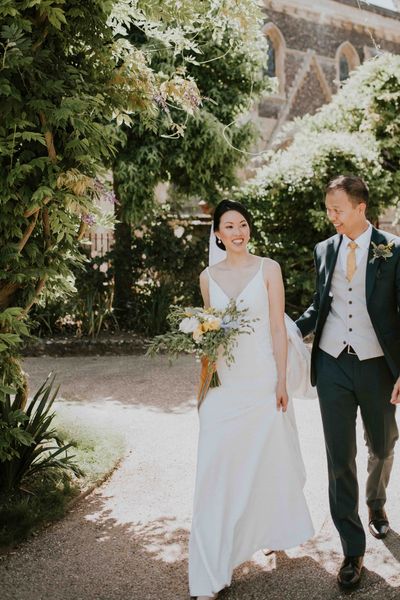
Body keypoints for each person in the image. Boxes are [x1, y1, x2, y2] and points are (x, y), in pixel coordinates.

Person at [188, 199, 314, 600]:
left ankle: (261, 530)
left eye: (243, 224)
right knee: (214, 470)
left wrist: (280, 380)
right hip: (225, 386)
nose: (238, 231)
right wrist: (203, 388)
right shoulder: (208, 277)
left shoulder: (269, 269)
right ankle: (211, 568)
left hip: (261, 383)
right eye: (229, 225)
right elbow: (209, 336)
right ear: (217, 234)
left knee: (262, 463)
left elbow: (277, 329)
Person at [296, 175, 400, 591]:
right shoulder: (325, 249)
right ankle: (352, 549)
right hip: (334, 363)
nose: (331, 216)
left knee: (383, 444)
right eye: (328, 209)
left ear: (360, 207)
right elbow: (319, 304)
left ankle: (377, 503)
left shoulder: (393, 249)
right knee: (339, 457)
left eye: (337, 209)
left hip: (378, 366)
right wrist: (287, 330)